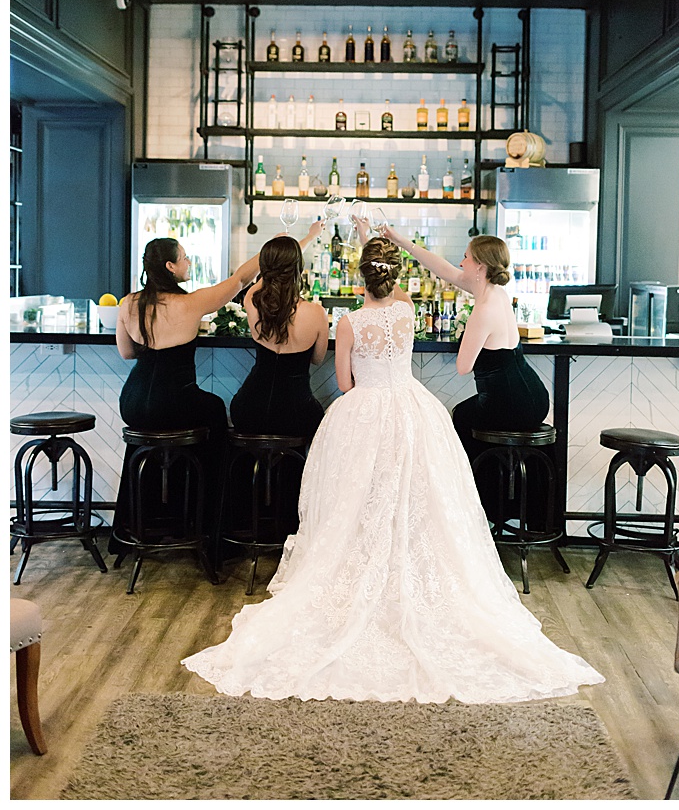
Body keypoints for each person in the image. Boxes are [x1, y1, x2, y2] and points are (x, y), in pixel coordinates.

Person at [183, 236, 604, 702]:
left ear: (360, 277)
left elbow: (343, 383)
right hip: (411, 409)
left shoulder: (346, 321)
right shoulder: (405, 311)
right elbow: (414, 285)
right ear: (394, 276)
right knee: (414, 493)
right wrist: (377, 237)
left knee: (356, 499)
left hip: (360, 412)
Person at [113, 237, 262, 551]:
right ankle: (209, 525)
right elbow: (240, 280)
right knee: (215, 410)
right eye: (184, 257)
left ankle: (141, 524)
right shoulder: (192, 303)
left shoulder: (128, 303)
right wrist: (268, 251)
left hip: (134, 403)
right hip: (176, 400)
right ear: (170, 266)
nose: (189, 262)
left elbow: (126, 353)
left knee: (154, 435)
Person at [385, 229, 549, 465]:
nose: (461, 263)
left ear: (480, 267)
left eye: (466, 258)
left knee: (460, 417)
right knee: (463, 414)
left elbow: (463, 366)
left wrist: (466, 334)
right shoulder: (497, 292)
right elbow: (443, 269)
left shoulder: (483, 310)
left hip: (509, 404)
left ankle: (477, 485)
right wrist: (401, 241)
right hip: (536, 395)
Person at [229, 225, 330, 440]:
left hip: (249, 409)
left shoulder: (252, 302)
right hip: (297, 413)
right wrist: (310, 237)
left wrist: (275, 251)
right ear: (298, 269)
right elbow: (317, 359)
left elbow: (251, 277)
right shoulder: (316, 313)